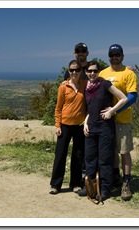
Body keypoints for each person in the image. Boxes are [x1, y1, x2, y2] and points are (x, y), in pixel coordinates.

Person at [79, 61, 127, 201]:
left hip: (105, 127)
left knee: (105, 159)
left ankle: (105, 189)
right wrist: (86, 123)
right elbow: (90, 108)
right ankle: (90, 187)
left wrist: (111, 111)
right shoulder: (86, 87)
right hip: (91, 127)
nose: (92, 73)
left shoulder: (105, 84)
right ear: (86, 72)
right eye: (89, 71)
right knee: (90, 158)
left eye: (94, 71)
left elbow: (123, 99)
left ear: (98, 71)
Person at [98, 44, 138, 201]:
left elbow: (133, 97)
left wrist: (114, 111)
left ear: (122, 56)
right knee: (111, 151)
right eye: (112, 55)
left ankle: (126, 182)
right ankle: (115, 177)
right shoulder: (102, 73)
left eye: (117, 54)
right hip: (105, 120)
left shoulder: (129, 73)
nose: (114, 57)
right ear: (108, 56)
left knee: (124, 151)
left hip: (122, 119)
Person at [49, 60, 88, 195]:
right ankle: (55, 185)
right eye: (71, 70)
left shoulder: (85, 84)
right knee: (60, 155)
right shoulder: (63, 87)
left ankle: (75, 183)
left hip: (79, 126)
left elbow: (100, 79)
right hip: (65, 125)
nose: (74, 72)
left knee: (78, 156)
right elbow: (58, 108)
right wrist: (57, 125)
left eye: (77, 70)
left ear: (81, 71)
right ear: (69, 71)